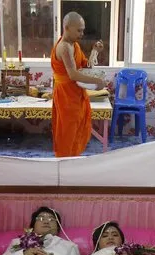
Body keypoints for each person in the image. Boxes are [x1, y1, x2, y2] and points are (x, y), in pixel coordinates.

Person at [51, 12, 106, 157]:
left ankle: (72, 162)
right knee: (67, 132)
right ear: (67, 28)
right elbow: (73, 74)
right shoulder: (64, 47)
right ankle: (64, 166)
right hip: (66, 96)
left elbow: (84, 67)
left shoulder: (74, 45)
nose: (82, 34)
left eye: (83, 30)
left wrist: (95, 52)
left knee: (76, 130)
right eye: (79, 30)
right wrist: (97, 81)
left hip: (76, 93)